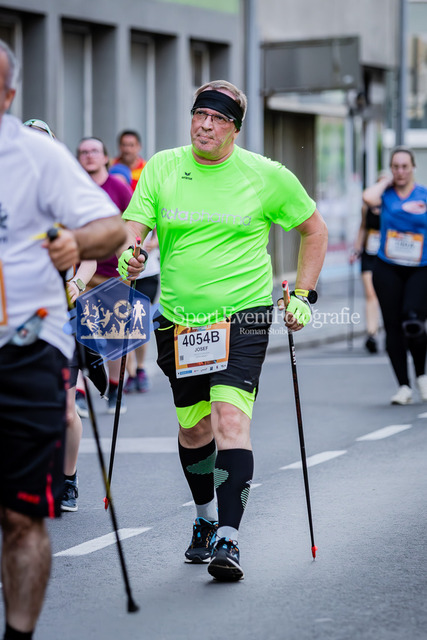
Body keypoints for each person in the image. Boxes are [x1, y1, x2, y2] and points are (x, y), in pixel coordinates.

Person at [117, 80, 328, 581]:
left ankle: (229, 538)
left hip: (243, 317)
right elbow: (134, 227)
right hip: (179, 321)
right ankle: (205, 517)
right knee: (195, 429)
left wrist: (302, 294)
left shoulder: (266, 175)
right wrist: (130, 252)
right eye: (199, 115)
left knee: (230, 419)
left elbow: (314, 230)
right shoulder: (163, 167)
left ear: (235, 128)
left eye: (217, 119)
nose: (205, 125)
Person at [0, 40, 127, 640]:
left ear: (8, 94)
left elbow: (111, 228)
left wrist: (77, 244)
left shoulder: (37, 156)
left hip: (25, 345)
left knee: (20, 516)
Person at [363, 146, 427, 405]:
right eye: (396, 167)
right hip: (387, 266)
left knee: (413, 321)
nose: (400, 171)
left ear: (413, 168)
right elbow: (368, 197)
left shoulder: (423, 195)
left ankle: (421, 375)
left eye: (404, 166)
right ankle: (403, 386)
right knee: (392, 327)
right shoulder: (385, 195)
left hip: (420, 268)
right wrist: (386, 182)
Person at [76, 136, 133, 415]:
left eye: (94, 151)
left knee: (115, 336)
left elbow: (134, 224)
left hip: (114, 273)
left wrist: (136, 251)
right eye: (84, 152)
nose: (89, 155)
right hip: (81, 273)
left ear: (106, 157)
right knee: (80, 333)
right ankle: (79, 392)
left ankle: (115, 387)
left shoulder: (117, 187)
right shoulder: (73, 189)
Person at [123, 229, 160, 393]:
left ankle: (140, 368)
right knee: (124, 325)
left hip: (148, 274)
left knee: (140, 322)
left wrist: (155, 242)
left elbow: (160, 225)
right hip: (121, 276)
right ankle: (131, 373)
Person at [350, 200, 381, 353]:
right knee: (370, 294)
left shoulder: (393, 205)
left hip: (388, 257)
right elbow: (363, 227)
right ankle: (372, 333)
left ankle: (394, 333)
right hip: (369, 255)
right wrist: (356, 249)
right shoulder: (366, 208)